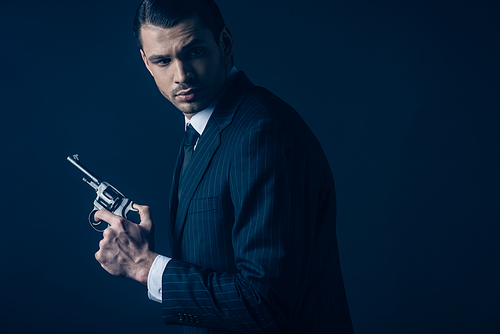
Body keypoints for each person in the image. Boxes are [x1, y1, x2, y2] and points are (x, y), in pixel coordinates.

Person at [94, 0, 354, 332]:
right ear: (146, 62)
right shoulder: (202, 128)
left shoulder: (263, 133)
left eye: (194, 53)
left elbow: (265, 303)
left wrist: (148, 267)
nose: (182, 76)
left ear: (225, 43)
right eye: (163, 61)